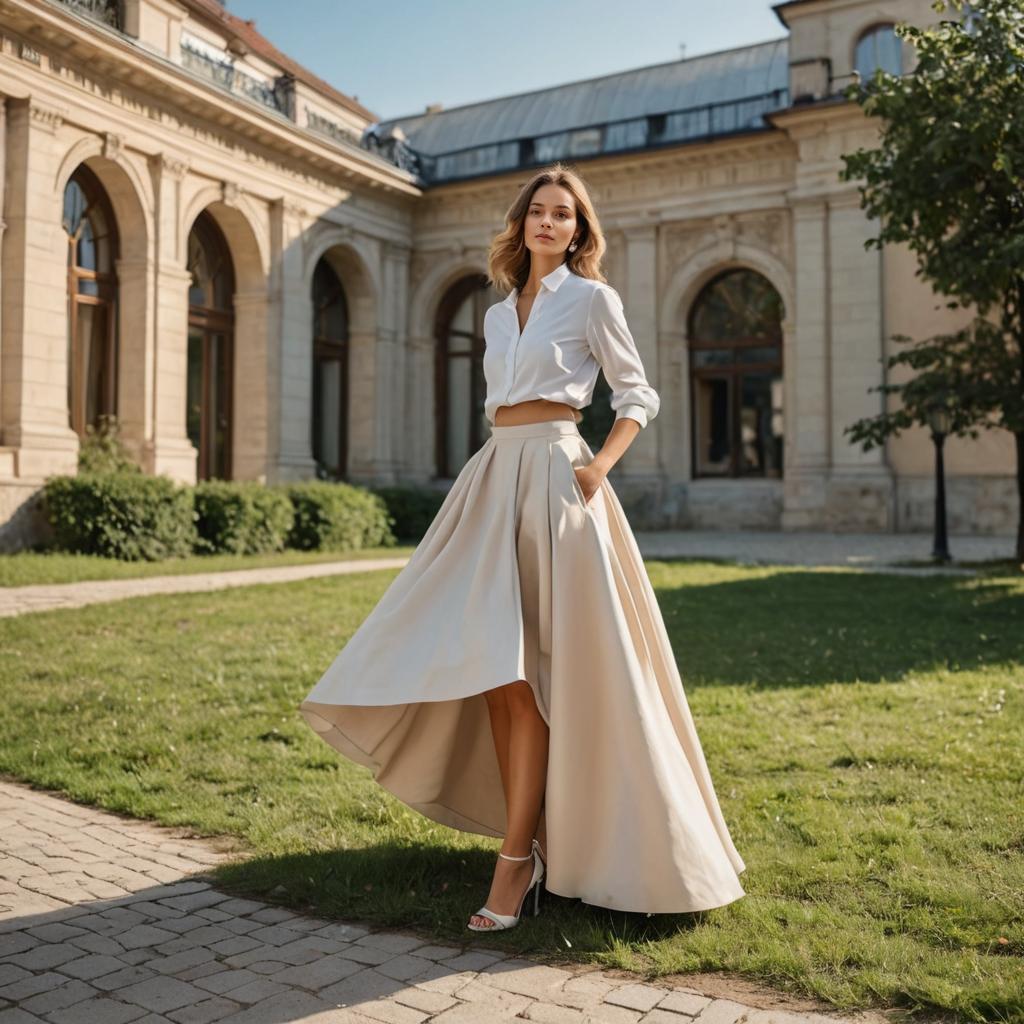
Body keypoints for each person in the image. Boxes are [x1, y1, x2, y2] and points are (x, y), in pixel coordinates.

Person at [299, 162, 747, 932]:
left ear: (579, 231)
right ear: (521, 223)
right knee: (498, 671)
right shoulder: (499, 313)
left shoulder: (592, 299)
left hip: (556, 478)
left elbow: (637, 391)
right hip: (493, 476)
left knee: (549, 670)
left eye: (563, 214)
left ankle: (520, 862)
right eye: (538, 211)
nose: (548, 222)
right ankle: (525, 847)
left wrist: (599, 467)